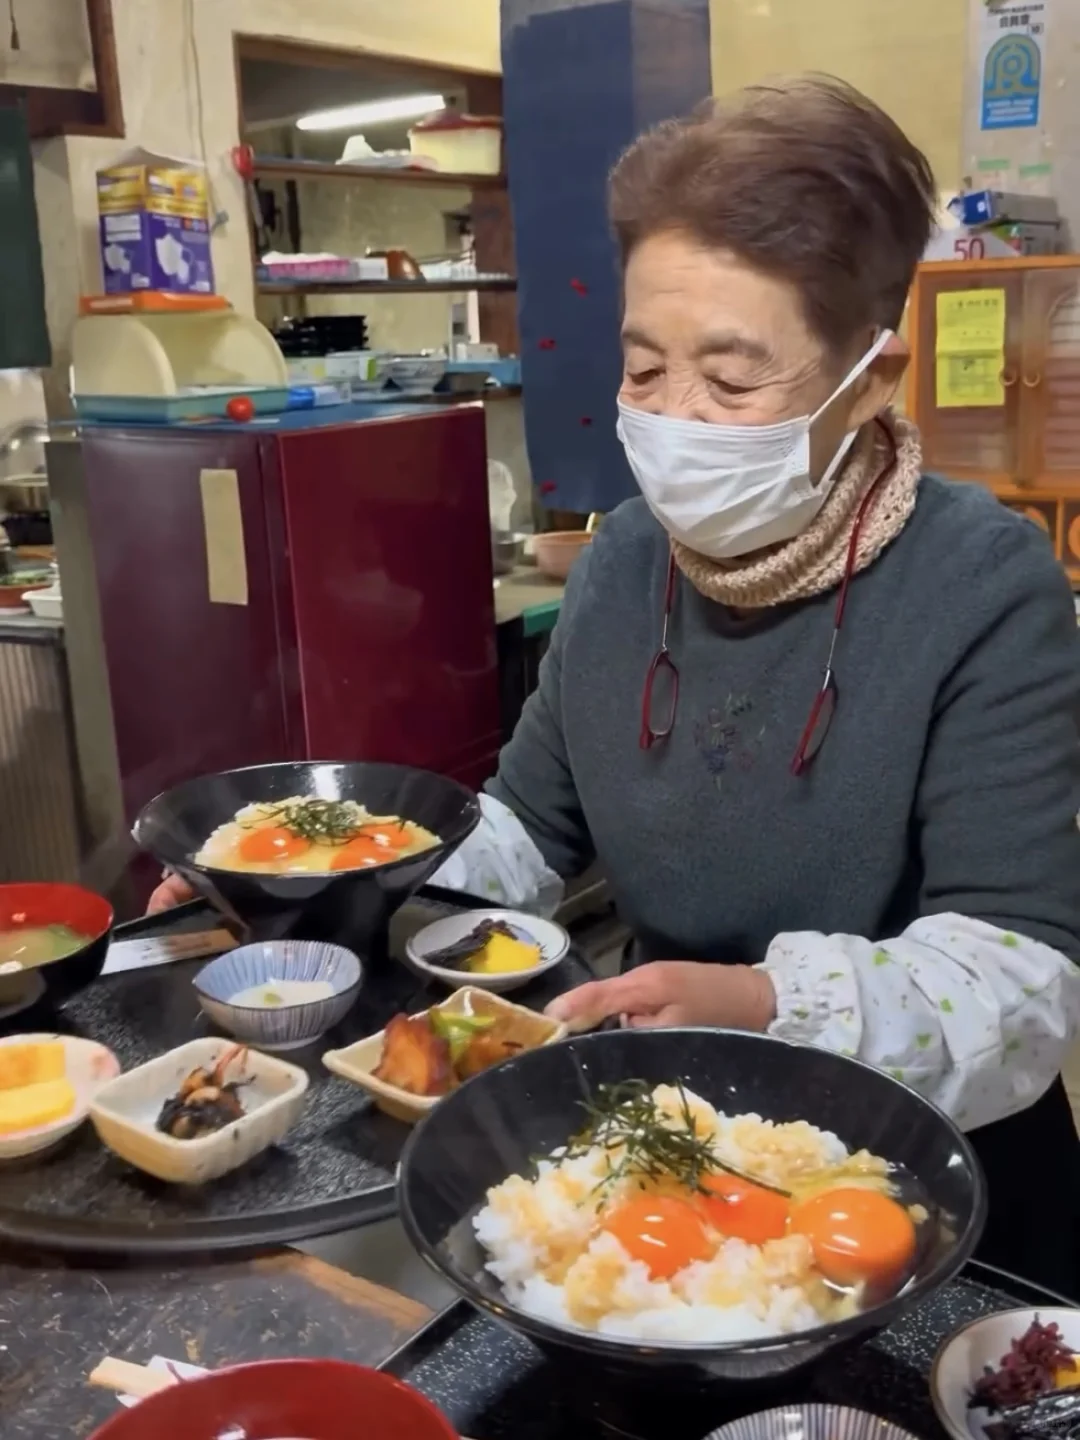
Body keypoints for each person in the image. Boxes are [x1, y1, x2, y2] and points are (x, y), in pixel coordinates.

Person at [152, 76, 1080, 1294]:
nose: (678, 420)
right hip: (660, 1161)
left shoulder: (983, 583)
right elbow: (527, 831)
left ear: (871, 374)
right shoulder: (625, 560)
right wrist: (315, 880)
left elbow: (1021, 972)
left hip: (930, 1194)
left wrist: (757, 999)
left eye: (735, 383)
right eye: (645, 369)